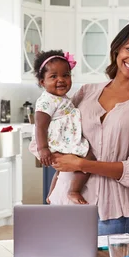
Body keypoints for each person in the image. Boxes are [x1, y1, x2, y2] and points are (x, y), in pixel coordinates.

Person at [48, 21, 129, 236]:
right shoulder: (86, 91)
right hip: (63, 201)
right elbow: (60, 135)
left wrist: (82, 163)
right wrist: (55, 182)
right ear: (117, 49)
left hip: (111, 212)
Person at [28, 50, 94, 204]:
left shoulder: (61, 98)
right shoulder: (46, 101)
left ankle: (51, 194)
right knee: (89, 158)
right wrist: (43, 148)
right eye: (53, 76)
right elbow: (40, 126)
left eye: (66, 75)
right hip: (56, 141)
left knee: (61, 171)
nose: (61, 80)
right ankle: (74, 190)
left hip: (63, 139)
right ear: (42, 82)